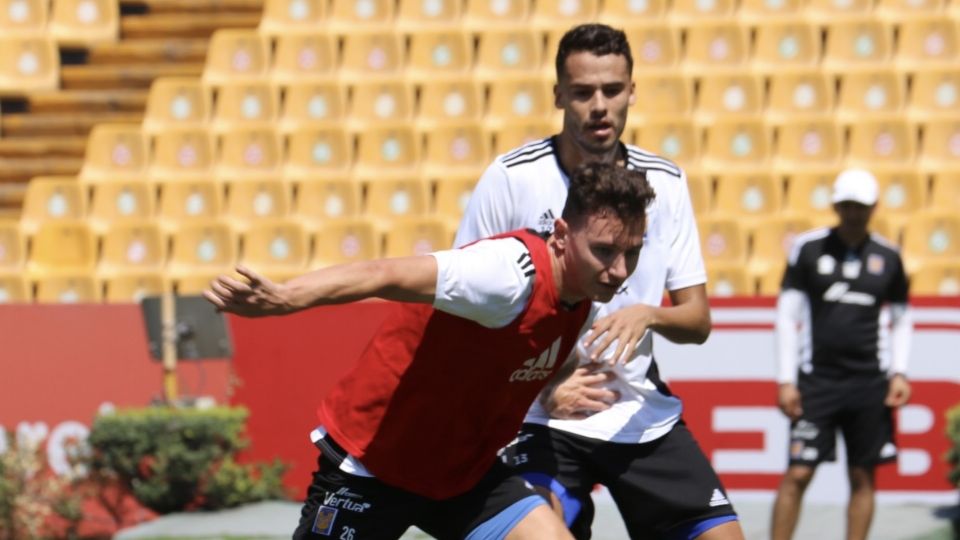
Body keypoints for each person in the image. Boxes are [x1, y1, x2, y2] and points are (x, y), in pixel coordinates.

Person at [204, 162, 655, 540]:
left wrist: (552, 386)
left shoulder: (583, 294)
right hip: (374, 466)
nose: (618, 271)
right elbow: (383, 272)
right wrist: (287, 298)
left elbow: (524, 348)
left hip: (464, 477)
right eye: (603, 250)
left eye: (631, 253)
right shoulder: (502, 274)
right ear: (561, 234)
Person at [455, 23, 743, 540]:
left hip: (638, 410)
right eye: (583, 92)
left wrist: (649, 313)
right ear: (559, 95)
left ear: (631, 90)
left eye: (612, 90)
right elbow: (464, 310)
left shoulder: (666, 182)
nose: (599, 106)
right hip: (536, 414)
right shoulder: (512, 177)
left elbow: (697, 320)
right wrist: (548, 380)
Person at [770, 168, 913, 540]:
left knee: (863, 474)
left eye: (860, 206)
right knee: (799, 472)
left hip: (869, 383)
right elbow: (787, 316)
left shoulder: (889, 255)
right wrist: (787, 380)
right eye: (847, 205)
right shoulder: (809, 248)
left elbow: (901, 318)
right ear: (835, 205)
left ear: (874, 207)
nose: (853, 213)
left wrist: (899, 372)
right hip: (818, 381)